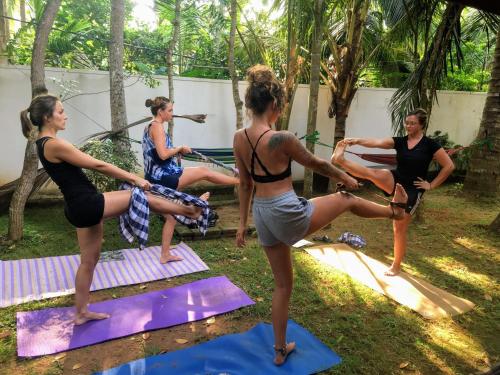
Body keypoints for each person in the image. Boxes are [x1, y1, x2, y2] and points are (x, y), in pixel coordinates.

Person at [233, 65, 409, 366]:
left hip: (263, 215)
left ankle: (279, 350)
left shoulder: (239, 138)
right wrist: (348, 177)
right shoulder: (282, 138)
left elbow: (245, 184)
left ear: (251, 103)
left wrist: (242, 224)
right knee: (346, 198)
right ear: (274, 104)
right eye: (281, 107)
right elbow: (317, 163)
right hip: (287, 213)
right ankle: (394, 211)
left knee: (282, 286)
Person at [24, 94, 202, 325]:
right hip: (86, 203)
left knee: (89, 261)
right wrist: (134, 178)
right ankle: (188, 211)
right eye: (60, 111)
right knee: (141, 195)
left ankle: (81, 313)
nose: (65, 115)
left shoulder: (42, 143)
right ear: (47, 117)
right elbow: (99, 165)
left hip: (77, 206)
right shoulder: (54, 143)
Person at [331, 108, 455, 276]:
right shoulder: (400, 141)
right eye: (407, 123)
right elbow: (377, 143)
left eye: (412, 123)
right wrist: (356, 140)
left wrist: (431, 185)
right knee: (373, 173)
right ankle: (340, 159)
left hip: (413, 188)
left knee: (398, 228)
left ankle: (396, 265)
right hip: (396, 178)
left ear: (421, 125)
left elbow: (449, 166)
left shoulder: (430, 145)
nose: (408, 126)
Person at [143, 96, 239, 263]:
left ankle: (165, 254)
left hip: (156, 176)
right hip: (163, 177)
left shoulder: (150, 126)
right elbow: (163, 154)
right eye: (170, 110)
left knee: (171, 216)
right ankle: (241, 181)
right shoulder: (157, 127)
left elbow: (160, 153)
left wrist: (176, 151)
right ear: (160, 111)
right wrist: (179, 148)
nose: (172, 113)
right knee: (203, 171)